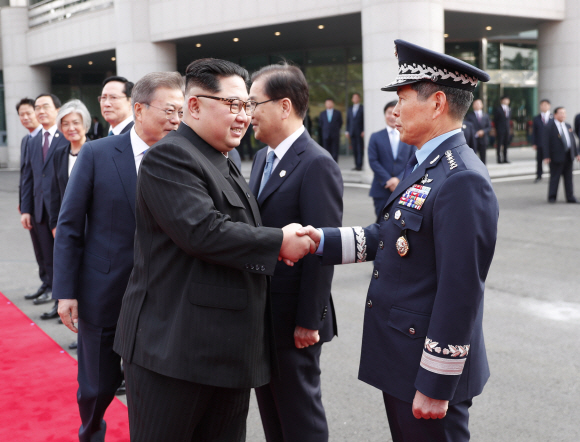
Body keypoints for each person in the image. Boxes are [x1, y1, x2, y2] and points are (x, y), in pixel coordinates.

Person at [300, 40, 499, 442]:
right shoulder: (427, 163)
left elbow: (461, 291)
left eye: (403, 99)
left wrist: (435, 382)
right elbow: (390, 236)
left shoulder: (461, 178)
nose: (395, 112)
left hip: (425, 368)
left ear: (437, 103)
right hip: (403, 357)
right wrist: (318, 241)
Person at [113, 58, 316, 441]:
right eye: (234, 105)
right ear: (194, 106)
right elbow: (203, 231)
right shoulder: (169, 156)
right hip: (174, 353)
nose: (243, 117)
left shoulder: (224, 158)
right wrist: (278, 242)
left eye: (248, 107)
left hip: (225, 353)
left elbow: (237, 232)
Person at [53, 72, 185, 442]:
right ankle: (91, 433)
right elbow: (70, 226)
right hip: (104, 293)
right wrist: (67, 291)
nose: (177, 119)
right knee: (95, 389)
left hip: (163, 298)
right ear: (140, 110)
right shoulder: (96, 154)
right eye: (170, 109)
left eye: (181, 110)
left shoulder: (184, 156)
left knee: (153, 393)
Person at [248, 63, 343, 442]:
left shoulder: (317, 163)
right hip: (263, 314)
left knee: (300, 416)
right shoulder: (261, 159)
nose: (247, 112)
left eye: (254, 103)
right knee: (273, 414)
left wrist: (310, 321)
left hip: (294, 320)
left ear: (284, 106)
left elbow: (323, 250)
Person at [39, 100, 92, 323]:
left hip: (93, 227)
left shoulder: (97, 150)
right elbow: (53, 194)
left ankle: (86, 322)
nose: (71, 128)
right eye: (66, 124)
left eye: (76, 123)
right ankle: (70, 313)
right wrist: (54, 224)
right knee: (68, 269)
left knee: (89, 276)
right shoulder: (60, 154)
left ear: (86, 125)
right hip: (66, 227)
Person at [20, 93, 67, 306]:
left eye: (45, 107)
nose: (40, 111)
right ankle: (53, 294)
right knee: (46, 256)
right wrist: (26, 209)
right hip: (39, 208)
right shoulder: (34, 140)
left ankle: (63, 298)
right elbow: (28, 176)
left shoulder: (67, 135)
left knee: (64, 257)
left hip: (62, 210)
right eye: (37, 107)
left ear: (57, 110)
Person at [16, 98, 47, 301]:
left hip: (47, 206)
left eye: (30, 112)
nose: (26, 117)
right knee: (39, 249)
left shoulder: (51, 138)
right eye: (22, 114)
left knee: (50, 250)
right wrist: (24, 205)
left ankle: (53, 288)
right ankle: (45, 283)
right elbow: (26, 176)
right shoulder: (27, 140)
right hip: (32, 203)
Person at [367, 100, 415, 222]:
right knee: (381, 223)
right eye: (389, 112)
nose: (393, 116)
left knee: (401, 224)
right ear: (385, 115)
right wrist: (388, 180)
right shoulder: (375, 137)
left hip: (403, 188)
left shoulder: (409, 136)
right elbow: (373, 161)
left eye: (397, 113)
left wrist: (398, 179)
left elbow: (413, 160)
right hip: (381, 188)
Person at [543, 106, 579, 203]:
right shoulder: (549, 126)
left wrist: (576, 154)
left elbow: (572, 141)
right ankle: (552, 197)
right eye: (561, 113)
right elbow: (545, 142)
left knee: (569, 178)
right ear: (555, 115)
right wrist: (546, 156)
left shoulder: (568, 126)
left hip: (568, 156)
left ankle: (570, 197)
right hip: (556, 157)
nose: (563, 115)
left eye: (564, 113)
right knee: (555, 178)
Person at [464, 99, 491, 164]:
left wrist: (483, 131)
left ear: (482, 105)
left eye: (479, 104)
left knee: (483, 157)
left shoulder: (486, 115)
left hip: (483, 139)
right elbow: (468, 127)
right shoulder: (469, 116)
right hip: (473, 139)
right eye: (475, 104)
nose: (477, 105)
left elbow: (489, 127)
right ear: (473, 106)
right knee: (473, 156)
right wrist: (476, 133)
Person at [532, 99, 551, 183]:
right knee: (539, 160)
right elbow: (534, 132)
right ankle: (539, 175)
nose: (544, 106)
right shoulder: (536, 118)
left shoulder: (553, 117)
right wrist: (534, 143)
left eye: (546, 105)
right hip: (540, 143)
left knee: (551, 160)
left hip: (550, 144)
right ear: (540, 107)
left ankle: (553, 175)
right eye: (542, 105)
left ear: (549, 106)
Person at [318, 98, 342, 162]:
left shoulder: (337, 113)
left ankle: (335, 164)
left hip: (335, 135)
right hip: (325, 135)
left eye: (330, 103)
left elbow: (340, 123)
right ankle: (327, 163)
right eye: (327, 103)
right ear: (325, 104)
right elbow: (320, 124)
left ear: (333, 104)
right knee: (326, 150)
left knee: (335, 150)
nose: (328, 104)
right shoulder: (322, 113)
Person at [346, 92, 365, 170]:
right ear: (352, 99)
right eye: (354, 98)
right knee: (354, 149)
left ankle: (360, 165)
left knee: (359, 149)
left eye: (357, 97)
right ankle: (356, 165)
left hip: (360, 132)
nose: (355, 99)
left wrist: (364, 130)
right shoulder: (350, 109)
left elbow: (364, 120)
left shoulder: (362, 108)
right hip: (352, 132)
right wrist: (347, 131)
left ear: (359, 99)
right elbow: (348, 121)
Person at [493, 96, 511, 163]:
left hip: (507, 129)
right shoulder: (498, 109)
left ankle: (505, 158)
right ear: (502, 100)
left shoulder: (509, 109)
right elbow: (495, 120)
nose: (507, 101)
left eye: (508, 100)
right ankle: (499, 159)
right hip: (500, 129)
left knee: (506, 144)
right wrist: (496, 129)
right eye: (505, 100)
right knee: (499, 144)